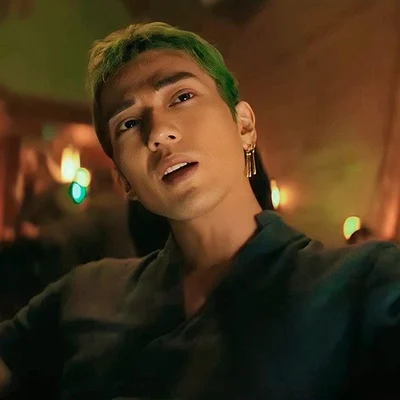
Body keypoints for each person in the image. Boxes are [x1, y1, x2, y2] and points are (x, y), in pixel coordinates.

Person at [0, 22, 399, 400]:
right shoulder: (83, 294)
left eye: (182, 97)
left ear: (244, 126)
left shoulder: (363, 286)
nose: (158, 133)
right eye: (129, 123)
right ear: (124, 180)